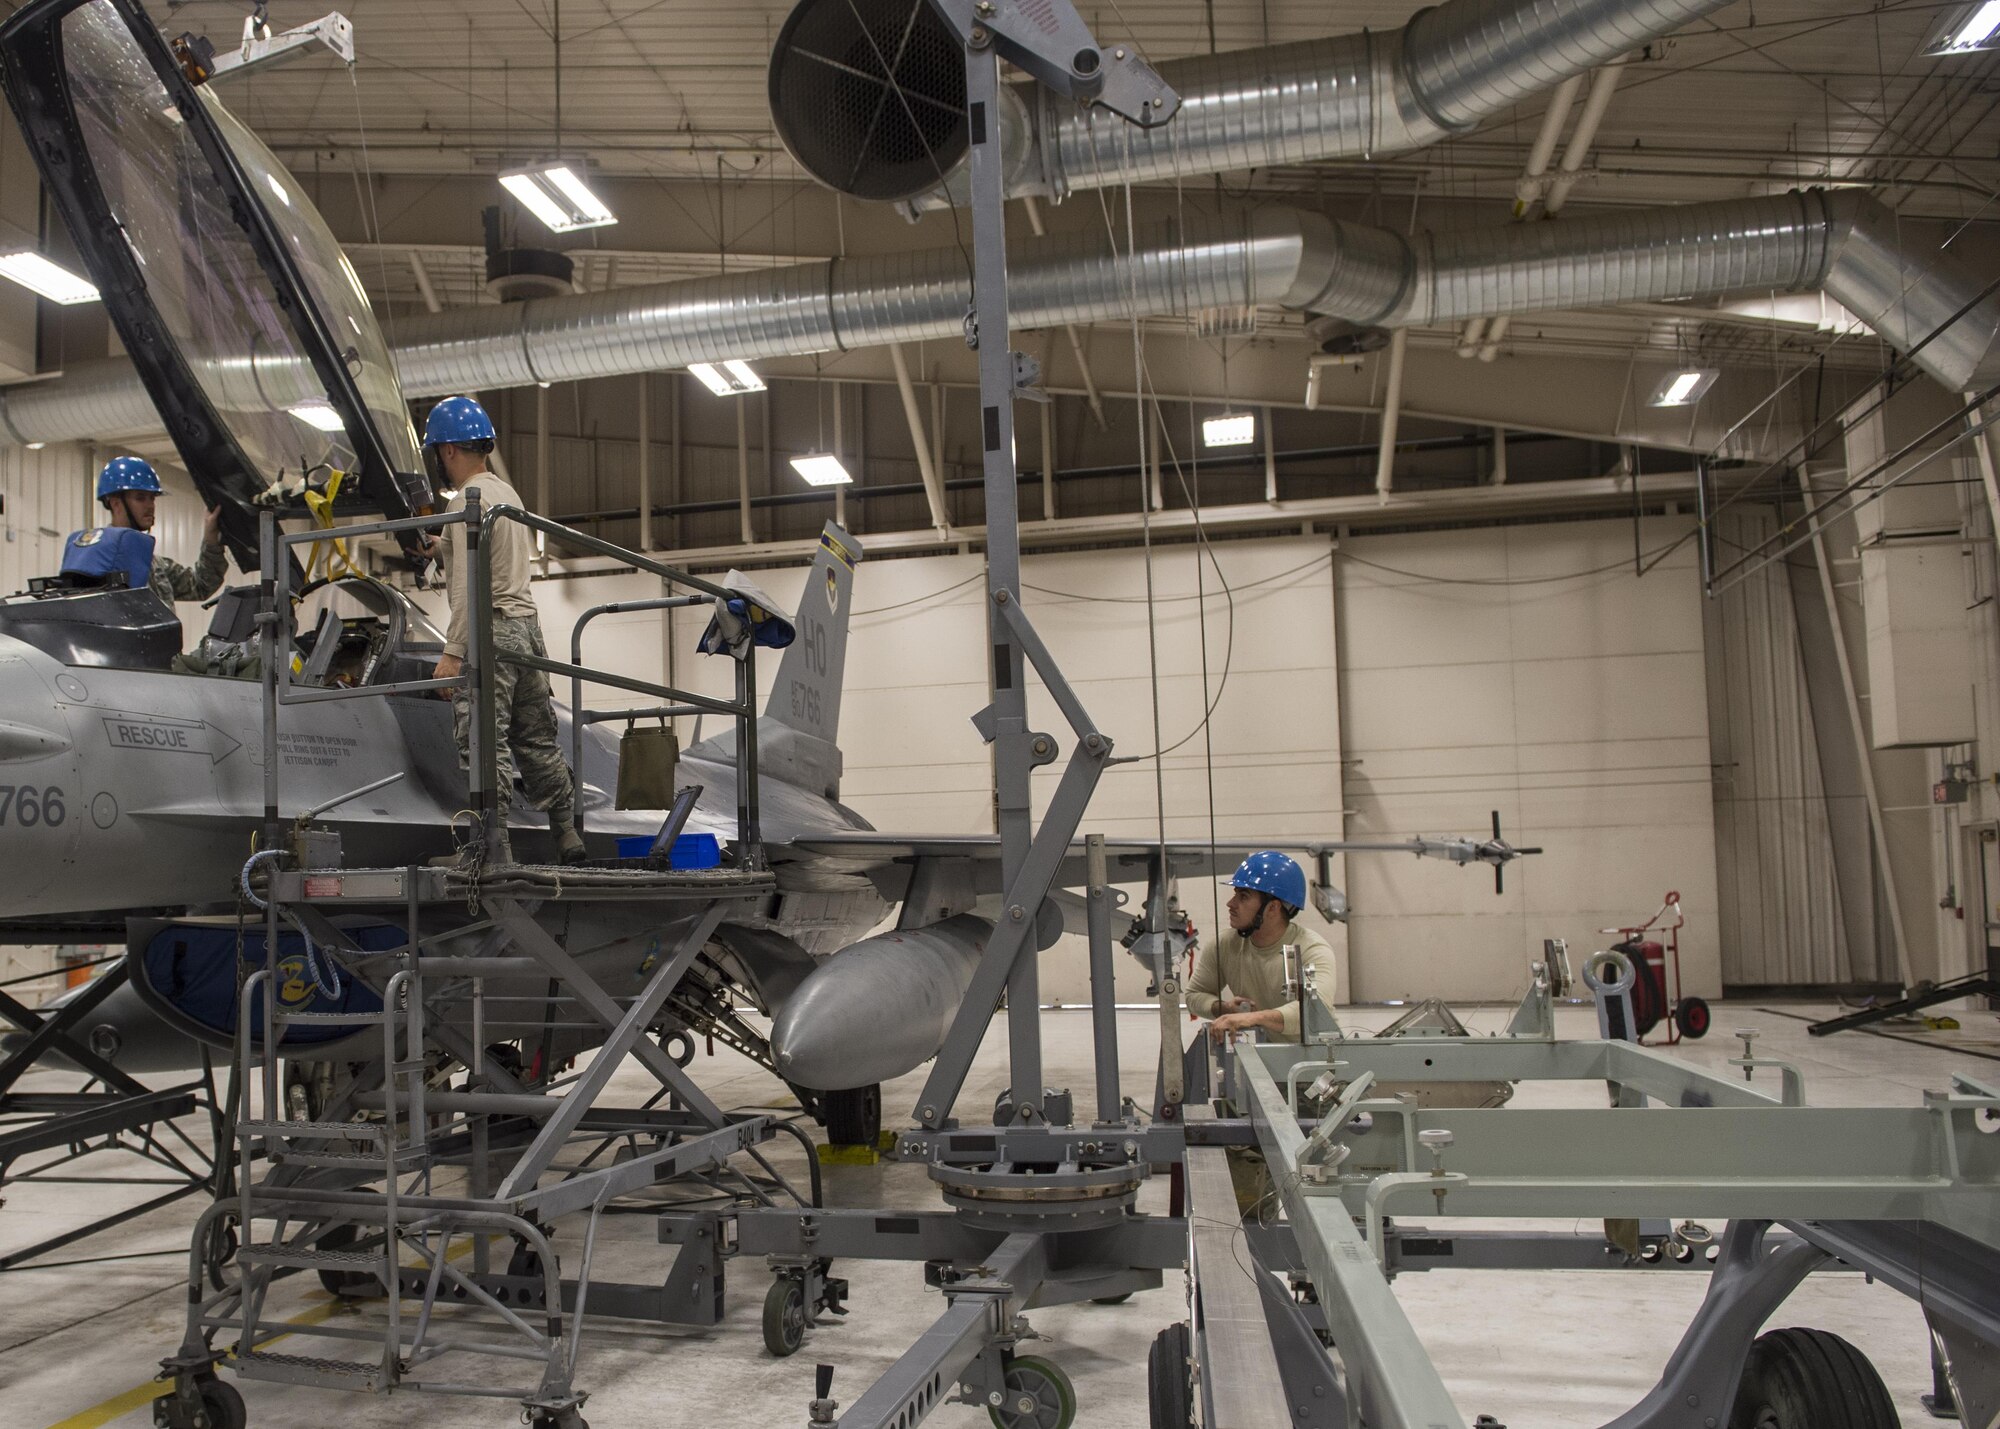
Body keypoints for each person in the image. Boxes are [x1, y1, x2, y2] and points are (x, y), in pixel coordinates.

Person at [417, 396, 585, 866]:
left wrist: (453, 651)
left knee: (485, 741)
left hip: (490, 631)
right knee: (536, 738)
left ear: (448, 450)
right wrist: (444, 546)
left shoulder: (463, 501)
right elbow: (491, 555)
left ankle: (491, 850)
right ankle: (567, 834)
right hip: (528, 633)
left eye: (439, 453)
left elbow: (472, 587)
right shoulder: (506, 495)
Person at [1187, 851, 1338, 1044]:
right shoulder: (1224, 945)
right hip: (1262, 1060)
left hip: (1318, 1062)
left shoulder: (1312, 949)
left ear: (1273, 908)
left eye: (1243, 897)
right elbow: (1194, 995)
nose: (1230, 904)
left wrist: (1251, 1018)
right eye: (1235, 895)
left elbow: (1315, 1011)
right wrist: (1224, 1008)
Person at [61, 456, 226, 608]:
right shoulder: (100, 559)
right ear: (116, 503)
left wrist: (211, 539)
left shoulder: (154, 564)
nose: (150, 505)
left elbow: (200, 585)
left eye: (152, 498)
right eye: (140, 498)